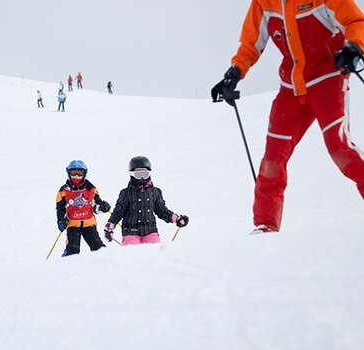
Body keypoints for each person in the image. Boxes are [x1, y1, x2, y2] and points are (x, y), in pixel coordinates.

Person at [211, 0, 364, 234]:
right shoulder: (263, 2)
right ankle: (265, 225)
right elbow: (251, 43)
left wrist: (354, 46)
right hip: (291, 90)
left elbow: (354, 21)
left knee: (339, 148)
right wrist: (235, 71)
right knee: (273, 158)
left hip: (328, 82)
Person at [103, 156, 189, 245]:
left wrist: (176, 219)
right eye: (138, 175)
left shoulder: (155, 192)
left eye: (145, 174)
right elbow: (118, 212)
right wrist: (110, 227)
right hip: (130, 232)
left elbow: (161, 210)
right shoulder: (126, 193)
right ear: (131, 174)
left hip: (150, 231)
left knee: (153, 254)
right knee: (132, 254)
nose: (142, 178)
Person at [56, 160, 111, 256]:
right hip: (73, 225)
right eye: (73, 173)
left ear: (84, 173)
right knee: (72, 250)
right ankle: (67, 266)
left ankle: (104, 264)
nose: (76, 176)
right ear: (68, 173)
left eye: (79, 173)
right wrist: (61, 221)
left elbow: (95, 207)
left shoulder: (91, 190)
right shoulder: (63, 192)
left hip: (89, 224)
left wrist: (103, 207)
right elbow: (60, 209)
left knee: (97, 247)